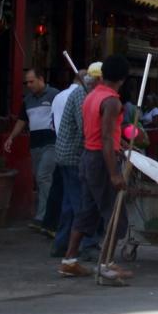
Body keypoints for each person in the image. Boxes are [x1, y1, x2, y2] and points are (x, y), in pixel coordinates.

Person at [58, 54, 134, 282]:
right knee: (116, 214)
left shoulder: (91, 96)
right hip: (101, 161)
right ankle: (106, 265)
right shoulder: (112, 101)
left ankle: (69, 261)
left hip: (88, 157)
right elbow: (106, 138)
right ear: (122, 79)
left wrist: (119, 144)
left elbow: (100, 133)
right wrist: (114, 173)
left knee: (87, 212)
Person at [50, 63, 102, 259]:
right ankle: (88, 244)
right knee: (82, 202)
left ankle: (61, 243)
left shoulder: (85, 94)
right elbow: (86, 129)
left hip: (67, 154)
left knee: (70, 203)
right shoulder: (82, 95)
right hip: (73, 155)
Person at [3, 68, 59, 233]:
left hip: (52, 143)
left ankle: (44, 217)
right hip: (35, 144)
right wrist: (11, 137)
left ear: (41, 79)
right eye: (26, 82)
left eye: (31, 81)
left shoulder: (54, 95)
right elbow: (22, 121)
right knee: (40, 179)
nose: (28, 85)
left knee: (43, 176)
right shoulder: (27, 100)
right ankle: (48, 215)